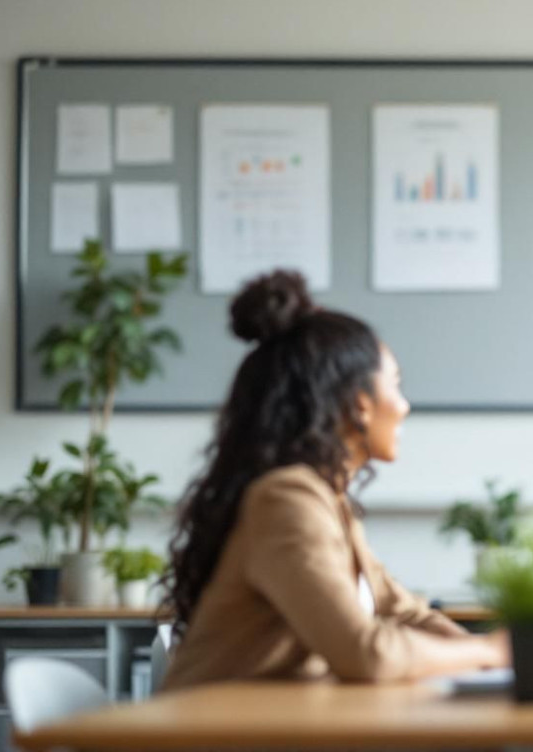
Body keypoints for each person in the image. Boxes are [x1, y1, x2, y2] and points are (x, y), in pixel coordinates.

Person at [161, 271, 506, 690]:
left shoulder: (325, 500)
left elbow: (404, 612)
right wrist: (489, 651)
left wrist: (492, 656)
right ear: (360, 404)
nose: (405, 406)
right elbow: (367, 653)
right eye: (395, 385)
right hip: (210, 725)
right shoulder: (286, 500)